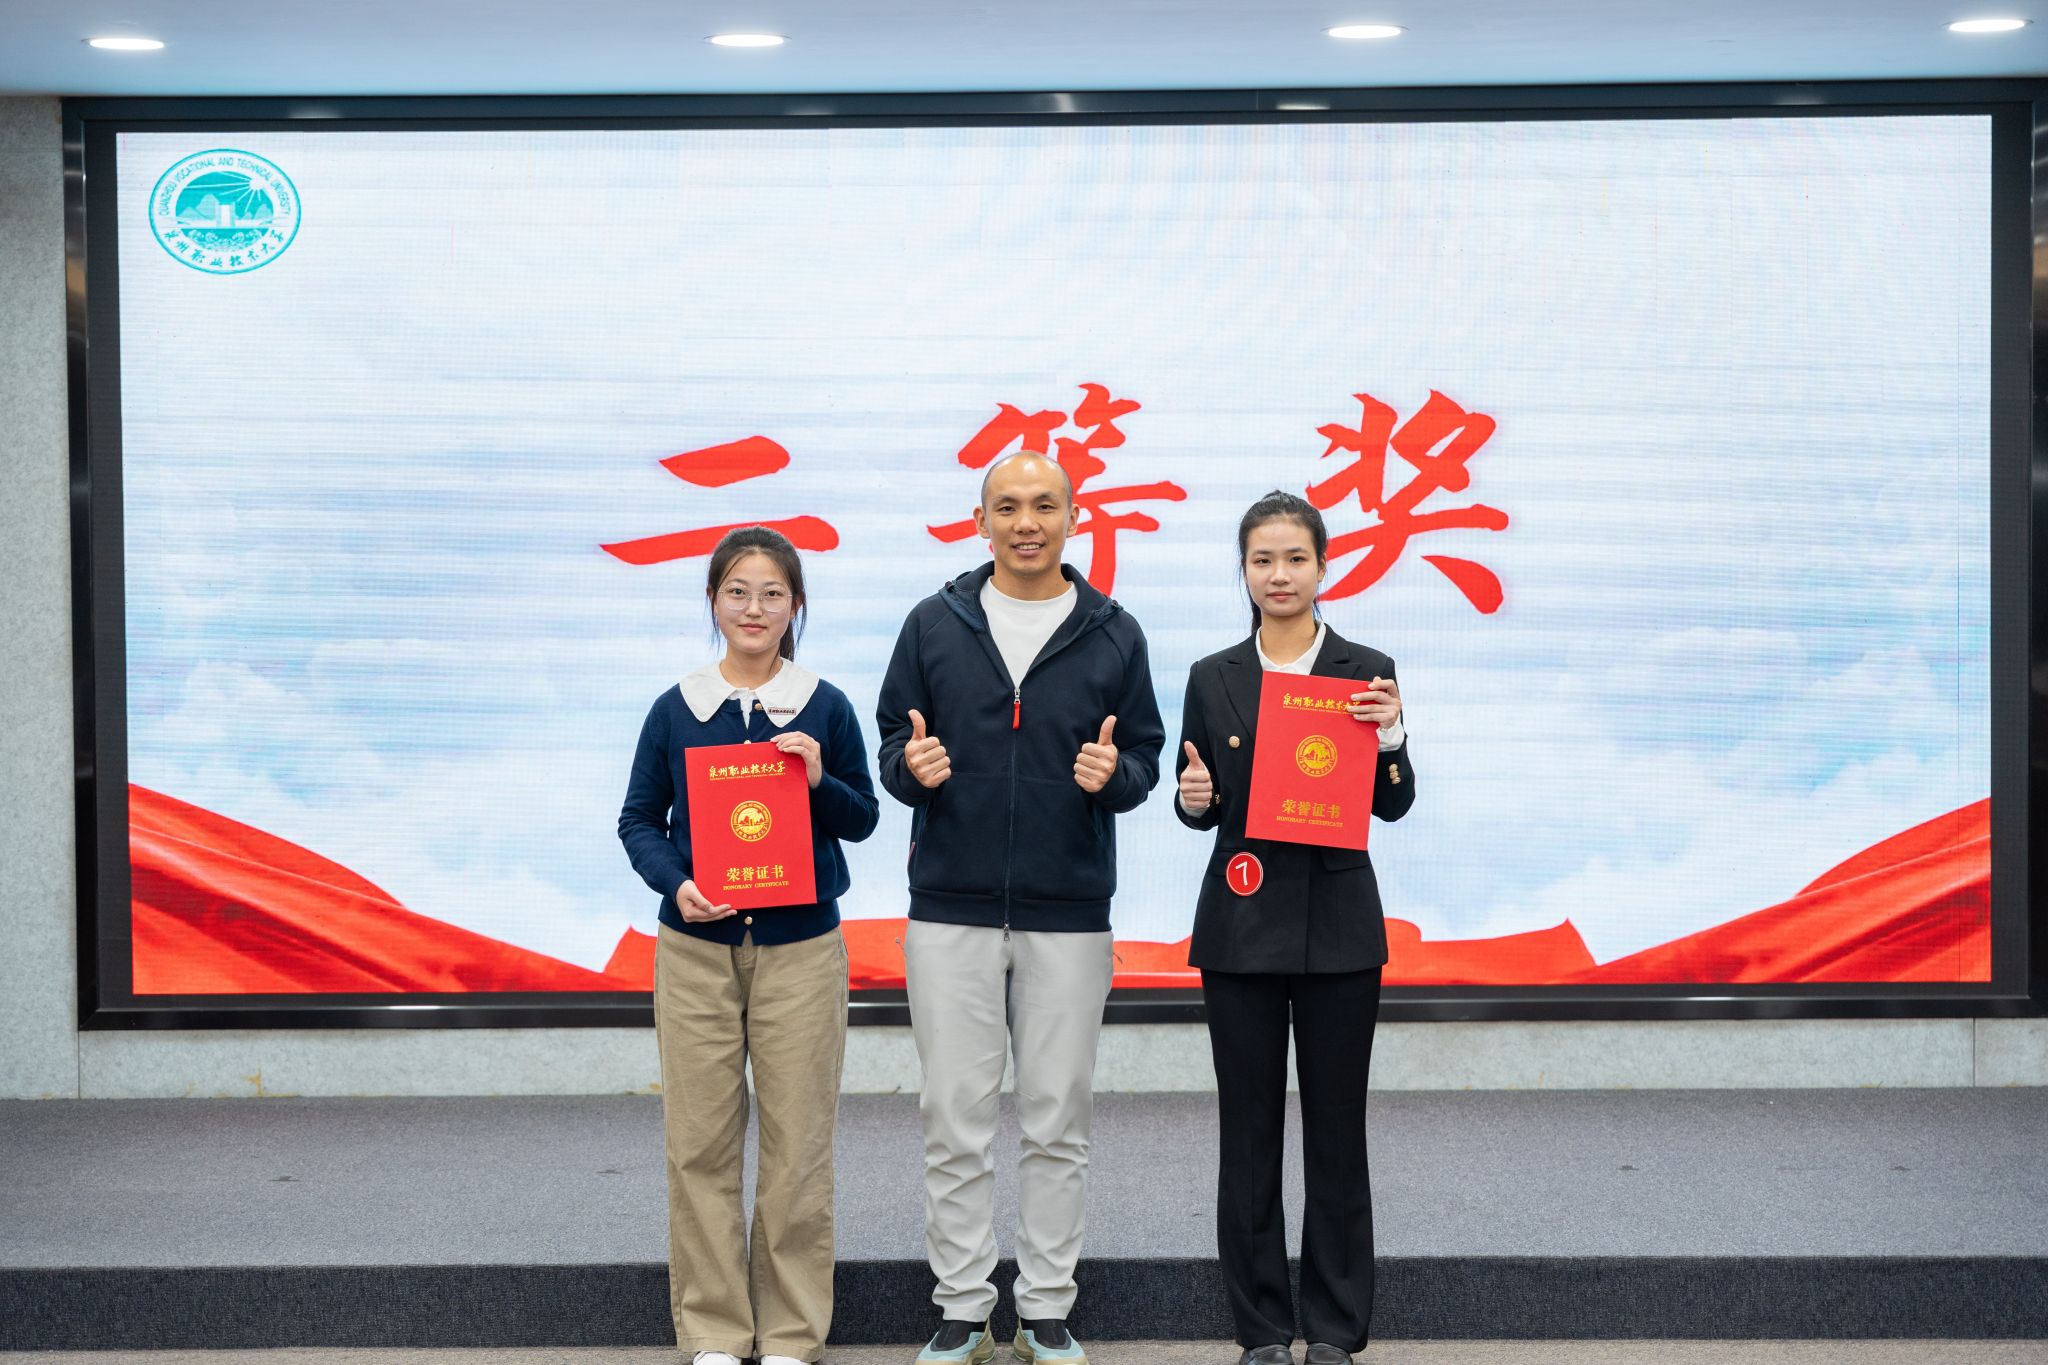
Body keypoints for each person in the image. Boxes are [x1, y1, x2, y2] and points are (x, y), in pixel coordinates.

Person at [876, 451, 1166, 1365]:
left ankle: (1045, 1307)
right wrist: (909, 769)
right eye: (1007, 506)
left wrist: (1114, 775)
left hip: (1069, 911)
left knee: (1057, 1119)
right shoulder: (932, 623)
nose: (1026, 521)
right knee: (953, 1119)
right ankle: (962, 1306)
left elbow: (1146, 759)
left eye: (1044, 504)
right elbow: (891, 745)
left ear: (1074, 518)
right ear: (981, 520)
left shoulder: (1114, 632)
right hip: (949, 909)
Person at [618, 525, 881, 1365]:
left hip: (801, 950)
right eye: (738, 591)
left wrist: (819, 776)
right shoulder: (677, 707)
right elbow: (638, 820)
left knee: (798, 1145)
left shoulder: (825, 705)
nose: (754, 608)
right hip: (695, 951)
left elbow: (863, 818)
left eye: (772, 593)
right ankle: (715, 1330)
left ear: (796, 604)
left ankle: (793, 1334)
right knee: (698, 1143)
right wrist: (675, 883)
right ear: (712, 601)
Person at [1173, 491, 1415, 1365]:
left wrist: (1391, 737)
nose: (1279, 575)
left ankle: (1338, 1328)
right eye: (1262, 559)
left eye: (1295, 558)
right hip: (1241, 925)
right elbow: (1195, 797)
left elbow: (1393, 804)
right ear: (1243, 570)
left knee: (1338, 1130)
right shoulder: (1213, 674)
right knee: (1248, 1134)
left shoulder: (1366, 668)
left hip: (1339, 928)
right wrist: (1192, 799)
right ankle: (1263, 1329)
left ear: (1323, 564)